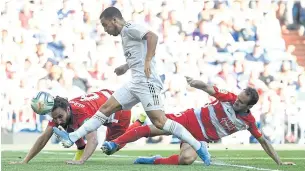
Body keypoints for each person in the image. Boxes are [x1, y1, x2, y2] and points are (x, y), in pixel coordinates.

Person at [52, 7, 211, 165]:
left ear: (114, 20)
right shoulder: (125, 34)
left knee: (160, 122)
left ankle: (198, 145)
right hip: (135, 82)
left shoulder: (130, 28)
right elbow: (137, 54)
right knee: (105, 109)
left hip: (147, 82)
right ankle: (72, 136)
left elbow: (153, 37)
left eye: (105, 25)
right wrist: (126, 66)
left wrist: (148, 60)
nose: (105, 29)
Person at [101, 76, 295, 166]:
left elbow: (263, 141)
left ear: (248, 107)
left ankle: (154, 161)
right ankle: (113, 143)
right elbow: (209, 88)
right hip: (187, 119)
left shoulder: (249, 122)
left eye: (241, 102)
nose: (236, 101)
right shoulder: (228, 97)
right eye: (238, 98)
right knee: (153, 128)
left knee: (187, 160)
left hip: (199, 137)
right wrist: (196, 82)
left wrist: (279, 162)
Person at [10, 90, 143, 165]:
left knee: (110, 148)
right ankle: (80, 148)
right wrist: (25, 161)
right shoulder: (61, 111)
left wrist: (82, 161)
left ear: (68, 109)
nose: (58, 121)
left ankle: (139, 121)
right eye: (55, 118)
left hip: (118, 111)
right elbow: (44, 137)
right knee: (68, 124)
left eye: (60, 116)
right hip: (103, 100)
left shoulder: (81, 114)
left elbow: (93, 140)